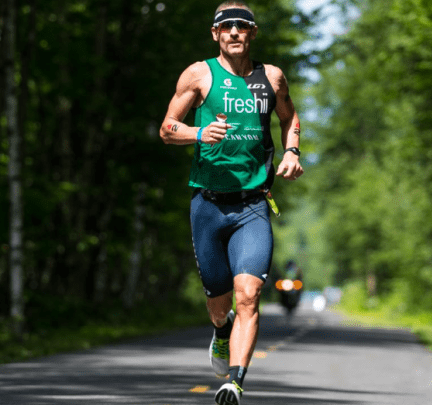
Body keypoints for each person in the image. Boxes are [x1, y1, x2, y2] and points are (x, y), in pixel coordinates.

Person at [159, 2, 303, 404]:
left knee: (248, 295)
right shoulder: (199, 74)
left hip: (253, 205)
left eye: (242, 26)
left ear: (253, 33)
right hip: (207, 205)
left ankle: (234, 382)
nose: (234, 32)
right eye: (227, 27)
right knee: (220, 305)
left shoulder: (271, 78)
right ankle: (221, 332)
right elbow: (167, 129)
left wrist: (292, 151)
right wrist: (198, 133)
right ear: (215, 34)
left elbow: (289, 118)